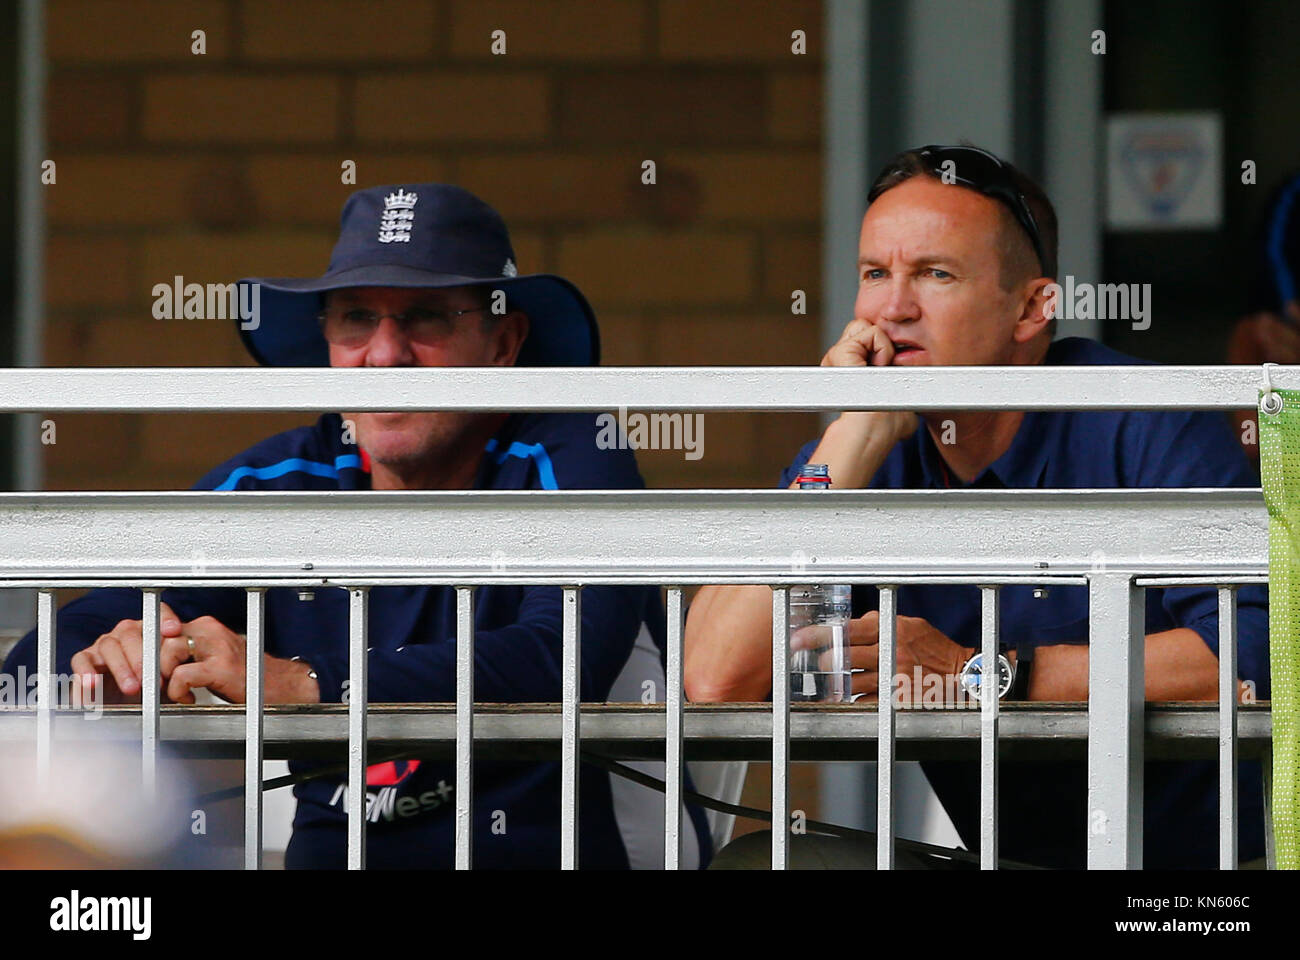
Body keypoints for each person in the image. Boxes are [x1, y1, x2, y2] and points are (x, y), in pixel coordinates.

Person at [3, 183, 711, 869]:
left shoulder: (571, 448)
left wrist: (305, 684)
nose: (384, 353)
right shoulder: (285, 478)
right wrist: (110, 657)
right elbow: (41, 662)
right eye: (355, 319)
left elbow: (562, 655)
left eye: (426, 318)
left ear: (503, 342)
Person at [683, 145, 1269, 869]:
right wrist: (851, 433)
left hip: (1202, 877)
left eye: (935, 274)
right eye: (874, 274)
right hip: (1008, 862)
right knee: (759, 864)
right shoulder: (874, 452)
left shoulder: (1141, 416)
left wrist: (976, 672)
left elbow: (1256, 653)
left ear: (1031, 308)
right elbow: (715, 677)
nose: (892, 309)